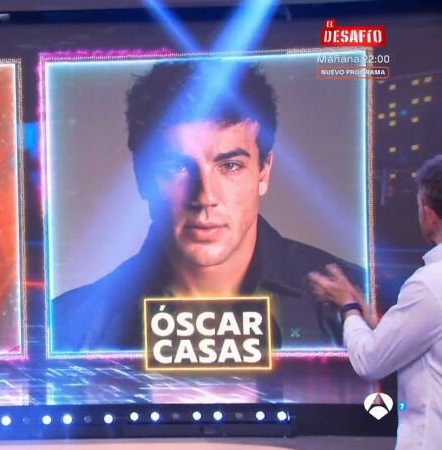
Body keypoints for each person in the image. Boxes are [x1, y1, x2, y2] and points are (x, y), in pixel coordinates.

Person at [53, 61, 364, 353]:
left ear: (264, 172)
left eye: (230, 165)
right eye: (176, 167)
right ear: (141, 175)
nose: (204, 196)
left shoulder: (362, 298)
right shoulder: (67, 326)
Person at [309, 155, 442, 450]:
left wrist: (348, 307)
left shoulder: (430, 285)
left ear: (429, 214)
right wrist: (374, 324)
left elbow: (370, 362)